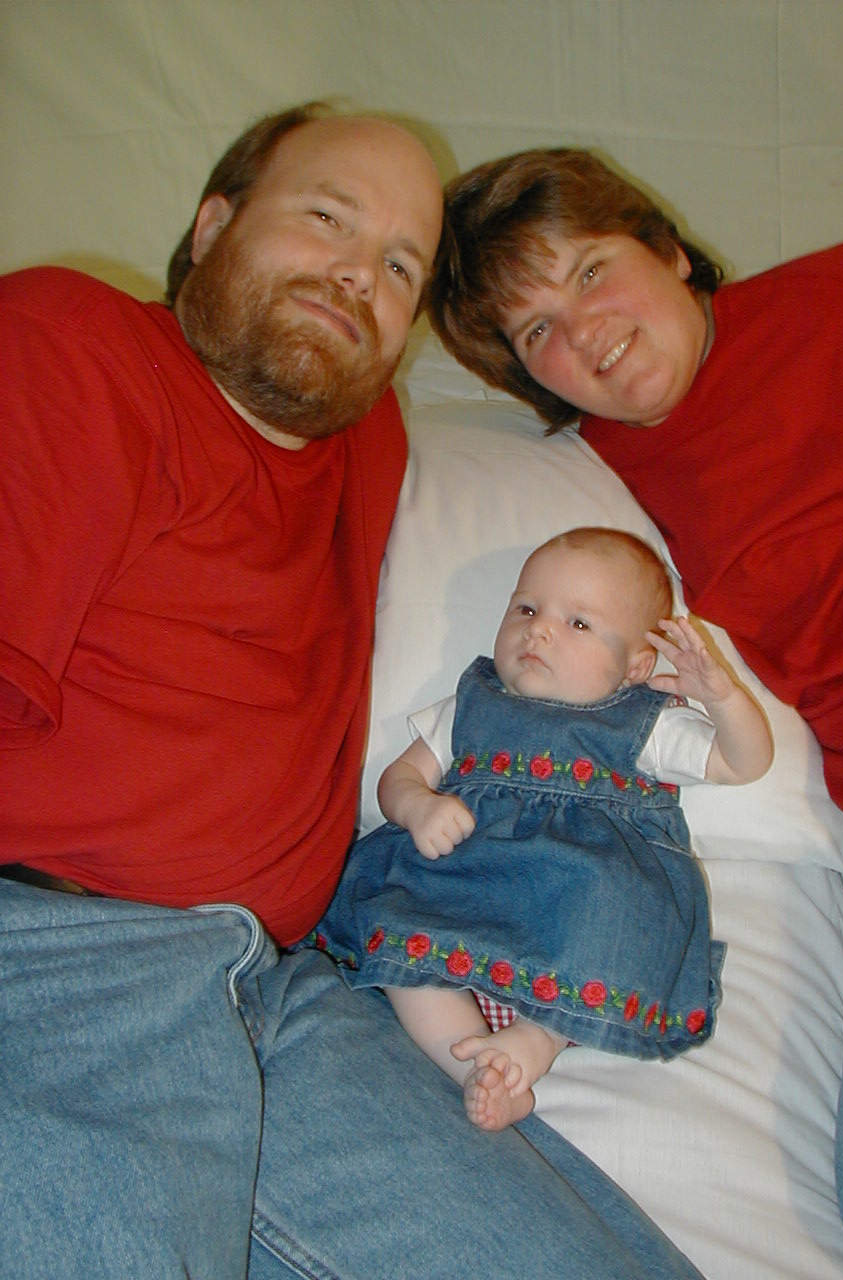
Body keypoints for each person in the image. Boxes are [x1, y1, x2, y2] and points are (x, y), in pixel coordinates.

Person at [0, 112, 709, 1280]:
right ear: (213, 226)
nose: (356, 274)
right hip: (65, 961)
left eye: (399, 266)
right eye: (327, 217)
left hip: (292, 990)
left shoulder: (365, 437)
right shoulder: (76, 347)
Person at [426, 146, 843, 1280]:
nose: (584, 332)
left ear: (666, 247)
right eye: (536, 330)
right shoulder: (598, 488)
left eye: (589, 270)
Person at [314, 526, 771, 1132]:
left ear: (636, 667)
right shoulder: (472, 704)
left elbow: (744, 762)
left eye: (579, 623)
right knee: (399, 933)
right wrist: (417, 806)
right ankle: (471, 1064)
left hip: (573, 904)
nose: (540, 630)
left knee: (612, 914)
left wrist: (722, 697)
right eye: (526, 609)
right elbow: (397, 778)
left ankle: (535, 1044)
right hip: (462, 890)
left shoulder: (644, 722)